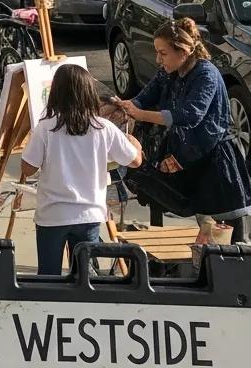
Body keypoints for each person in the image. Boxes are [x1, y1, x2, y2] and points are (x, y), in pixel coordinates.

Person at [118, 17, 251, 240]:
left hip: (216, 162)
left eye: (163, 53)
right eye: (157, 52)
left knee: (227, 238)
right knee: (203, 232)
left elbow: (189, 115)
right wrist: (126, 106)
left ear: (184, 51)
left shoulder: (205, 74)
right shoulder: (169, 71)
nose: (158, 59)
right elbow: (146, 96)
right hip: (190, 156)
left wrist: (140, 114)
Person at [21, 64, 143, 276]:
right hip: (89, 214)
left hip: (53, 214)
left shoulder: (46, 127)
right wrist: (136, 144)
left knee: (48, 277)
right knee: (84, 280)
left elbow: (27, 169)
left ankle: (49, 308)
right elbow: (135, 161)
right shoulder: (103, 127)